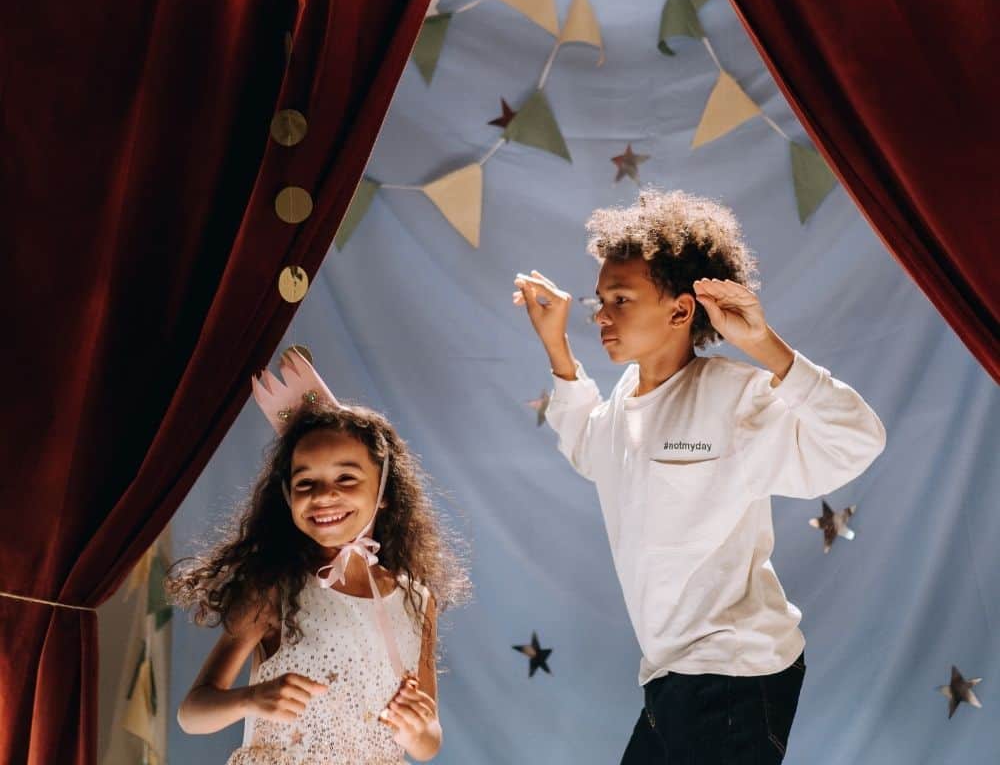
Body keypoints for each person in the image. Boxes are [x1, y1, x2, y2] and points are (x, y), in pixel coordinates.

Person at [512, 188, 886, 764]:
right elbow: (589, 446)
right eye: (599, 300)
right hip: (669, 675)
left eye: (620, 298)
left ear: (681, 311)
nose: (602, 315)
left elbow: (856, 440)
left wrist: (766, 346)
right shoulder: (620, 407)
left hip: (734, 673)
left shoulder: (732, 396)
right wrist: (556, 347)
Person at [167, 350, 469, 764]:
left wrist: (418, 730)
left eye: (346, 477)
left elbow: (429, 741)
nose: (324, 495)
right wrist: (251, 699)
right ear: (288, 496)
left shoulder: (417, 600)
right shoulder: (275, 588)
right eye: (306, 481)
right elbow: (192, 713)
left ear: (384, 493)